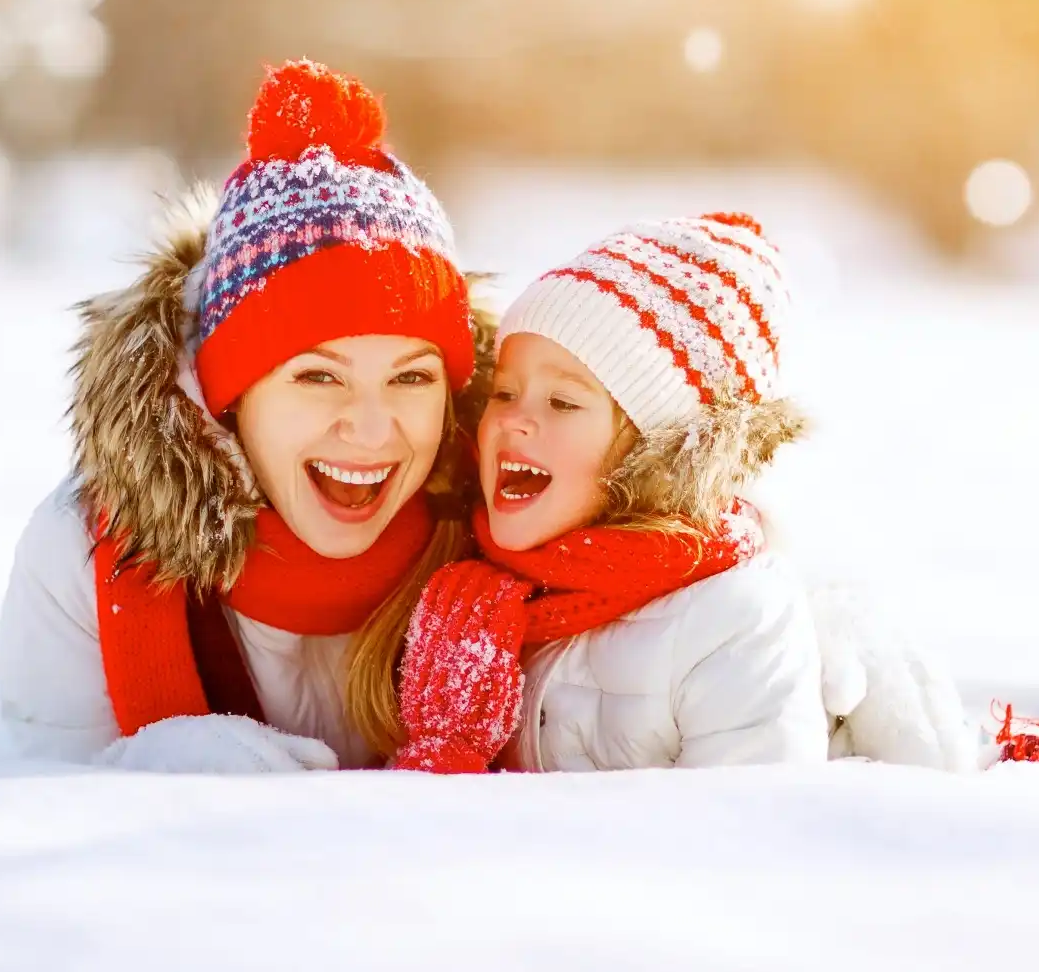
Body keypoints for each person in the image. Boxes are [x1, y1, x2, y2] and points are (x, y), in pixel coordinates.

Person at [0, 59, 487, 773]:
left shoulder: (501, 539)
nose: (374, 428)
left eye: (412, 376)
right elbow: (37, 806)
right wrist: (150, 770)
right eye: (319, 376)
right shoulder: (82, 558)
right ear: (226, 392)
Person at [393, 212, 978, 773]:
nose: (513, 422)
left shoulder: (732, 619)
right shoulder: (470, 599)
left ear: (657, 450)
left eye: (563, 402)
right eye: (504, 393)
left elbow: (747, 824)